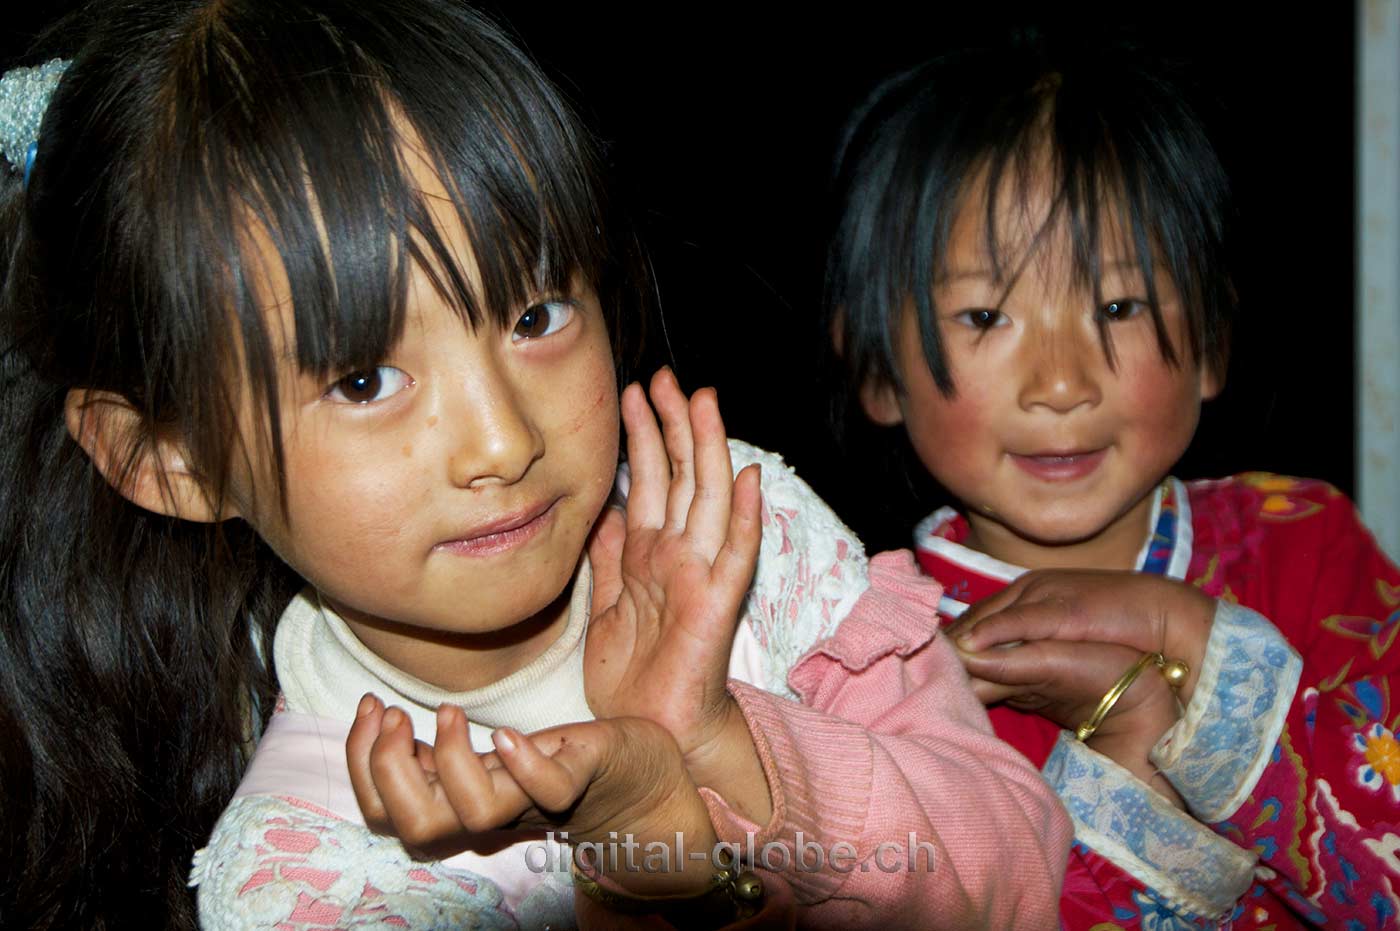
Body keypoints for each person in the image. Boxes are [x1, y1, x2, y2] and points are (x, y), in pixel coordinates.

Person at [0, 3, 1070, 928]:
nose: (503, 441)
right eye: (365, 380)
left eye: (535, 313)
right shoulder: (310, 876)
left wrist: (719, 739)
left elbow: (1023, 874)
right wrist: (650, 851)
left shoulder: (735, 535)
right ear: (169, 460)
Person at [825, 27, 1400, 931]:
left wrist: (1192, 639)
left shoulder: (1310, 543)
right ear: (877, 368)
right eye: (985, 314)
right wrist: (1129, 764)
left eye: (1118, 305)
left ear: (1212, 340)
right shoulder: (854, 660)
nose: (1062, 383)